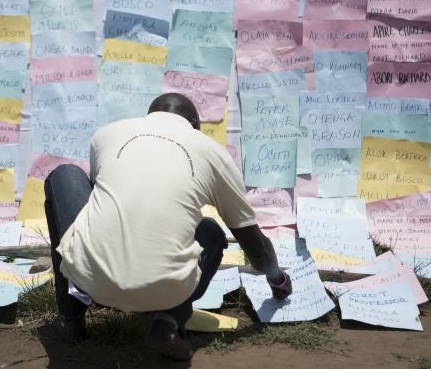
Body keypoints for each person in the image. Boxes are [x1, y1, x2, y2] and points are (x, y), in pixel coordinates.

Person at [44, 93, 292, 361]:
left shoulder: (106, 134)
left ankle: (72, 318)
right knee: (210, 231)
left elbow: (97, 205)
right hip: (167, 290)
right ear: (195, 123)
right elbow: (256, 249)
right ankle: (169, 322)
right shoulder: (212, 152)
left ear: (149, 115)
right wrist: (278, 278)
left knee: (65, 175)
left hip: (90, 279)